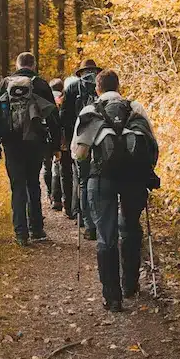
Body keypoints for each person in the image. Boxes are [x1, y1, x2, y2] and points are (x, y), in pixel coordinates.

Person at [72, 69, 159, 312]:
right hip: (133, 179)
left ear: (97, 88)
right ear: (119, 87)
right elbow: (151, 145)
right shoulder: (135, 108)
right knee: (130, 227)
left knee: (106, 235)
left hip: (101, 179)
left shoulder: (89, 111)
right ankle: (130, 284)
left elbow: (79, 153)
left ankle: (112, 298)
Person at [0, 52, 61, 246]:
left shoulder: (4, 84)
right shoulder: (40, 84)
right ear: (33, 65)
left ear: (17, 64)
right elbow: (53, 117)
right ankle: (36, 229)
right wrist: (55, 146)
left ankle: (21, 233)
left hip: (11, 143)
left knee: (17, 186)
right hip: (35, 142)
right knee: (33, 183)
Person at [61, 58, 102, 236]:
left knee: (83, 180)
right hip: (102, 139)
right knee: (99, 179)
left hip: (79, 139)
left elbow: (63, 116)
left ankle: (88, 225)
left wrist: (67, 139)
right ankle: (101, 220)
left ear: (81, 72)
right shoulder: (100, 86)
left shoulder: (72, 87)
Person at [48, 78, 65, 210]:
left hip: (48, 136)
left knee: (50, 167)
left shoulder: (47, 98)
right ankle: (61, 198)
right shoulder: (63, 98)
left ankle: (54, 197)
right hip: (62, 137)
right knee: (61, 168)